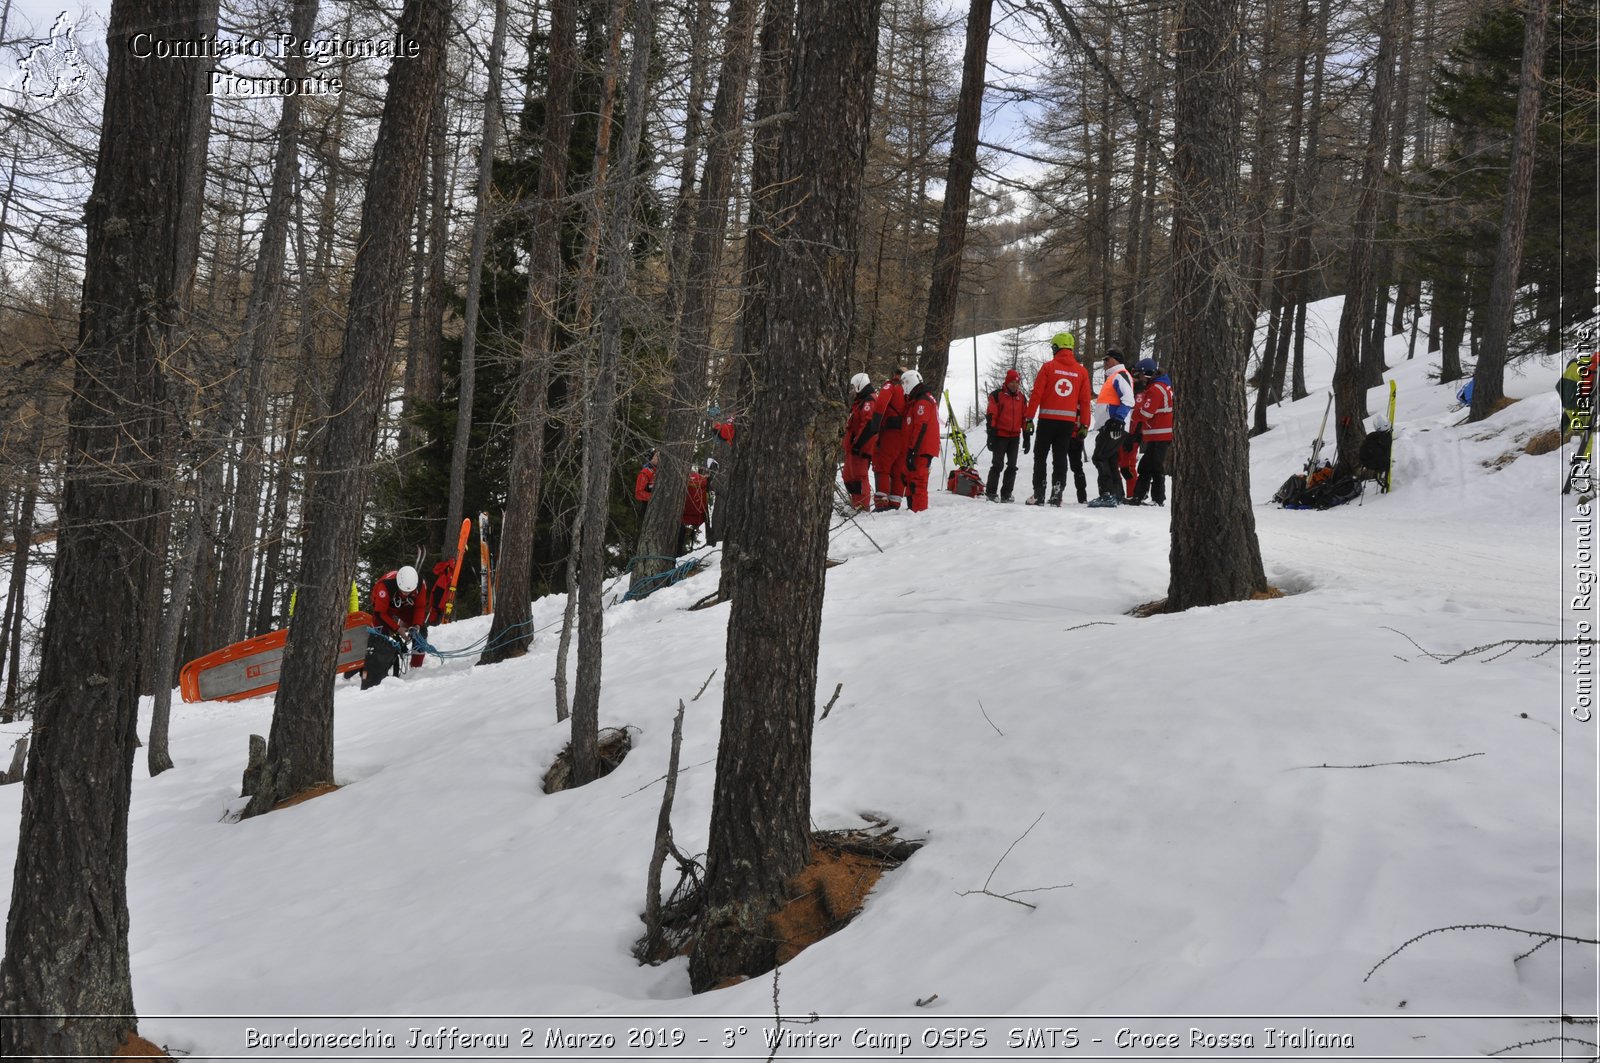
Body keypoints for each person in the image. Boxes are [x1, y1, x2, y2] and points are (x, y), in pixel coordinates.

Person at [1023, 331, 1092, 506]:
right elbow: (1084, 401)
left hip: (1047, 421)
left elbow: (1036, 395)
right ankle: (1057, 495)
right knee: (1060, 458)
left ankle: (1039, 494)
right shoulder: (1081, 372)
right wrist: (1084, 424)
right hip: (1067, 425)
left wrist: (1028, 418)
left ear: (1055, 347)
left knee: (1040, 457)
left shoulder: (1048, 367)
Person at [364, 564, 429, 689]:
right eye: (404, 591)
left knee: (421, 632)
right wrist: (397, 628)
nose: (406, 593)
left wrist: (416, 626)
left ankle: (416, 667)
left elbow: (420, 608)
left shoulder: (420, 585)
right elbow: (380, 613)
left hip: (406, 606)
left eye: (409, 591)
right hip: (385, 606)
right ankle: (376, 674)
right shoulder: (385, 586)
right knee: (379, 636)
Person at [1088, 349, 1136, 507]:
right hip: (1110, 425)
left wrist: (1118, 420)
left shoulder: (1120, 375)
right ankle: (1117, 494)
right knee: (1110, 459)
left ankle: (1107, 494)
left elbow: (1128, 399)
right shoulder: (1114, 376)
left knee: (1099, 457)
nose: (1104, 362)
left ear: (1116, 360)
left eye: (1107, 359)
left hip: (1114, 425)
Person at [1127, 358, 1174, 506]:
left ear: (1146, 374)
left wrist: (1132, 413)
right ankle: (1139, 496)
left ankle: (1158, 498)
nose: (1139, 379)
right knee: (1146, 465)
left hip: (1160, 433)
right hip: (1158, 433)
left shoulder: (1156, 389)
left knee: (1155, 465)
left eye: (1140, 375)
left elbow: (1146, 414)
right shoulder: (1160, 386)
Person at [984, 368, 1029, 502]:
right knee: (997, 465)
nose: (1015, 385)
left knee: (1012, 466)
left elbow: (1024, 418)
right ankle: (991, 492)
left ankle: (1006, 493)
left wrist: (1027, 437)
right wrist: (991, 435)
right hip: (1000, 436)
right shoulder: (997, 395)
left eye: (1017, 383)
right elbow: (992, 415)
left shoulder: (1021, 398)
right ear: (1007, 382)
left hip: (1014, 437)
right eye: (1012, 382)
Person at [869, 365, 910, 511]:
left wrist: (874, 427)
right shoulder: (910, 390)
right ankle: (895, 503)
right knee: (898, 469)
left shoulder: (890, 386)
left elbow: (880, 405)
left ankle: (881, 504)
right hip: (906, 435)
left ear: (895, 374)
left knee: (882, 465)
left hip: (890, 433)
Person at [901, 370, 941, 512]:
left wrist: (913, 451)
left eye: (905, 383)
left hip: (921, 449)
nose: (904, 387)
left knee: (918, 482)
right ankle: (913, 510)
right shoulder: (918, 400)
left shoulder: (922, 401)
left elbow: (920, 428)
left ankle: (919, 512)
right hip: (918, 448)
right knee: (911, 480)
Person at [843, 372, 879, 510]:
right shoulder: (861, 401)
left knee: (859, 476)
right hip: (854, 446)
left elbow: (868, 425)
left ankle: (862, 505)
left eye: (854, 386)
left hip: (861, 447)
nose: (853, 389)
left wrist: (858, 445)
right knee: (849, 476)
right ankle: (856, 503)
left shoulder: (869, 401)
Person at [679, 465, 709, 555]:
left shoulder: (683, 477)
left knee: (680, 538)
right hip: (698, 515)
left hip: (684, 514)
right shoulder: (703, 481)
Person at [634, 450, 659, 523]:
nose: (659, 459)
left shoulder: (663, 472)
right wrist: (655, 497)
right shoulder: (646, 472)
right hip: (648, 508)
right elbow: (639, 493)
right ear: (652, 458)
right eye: (657, 456)